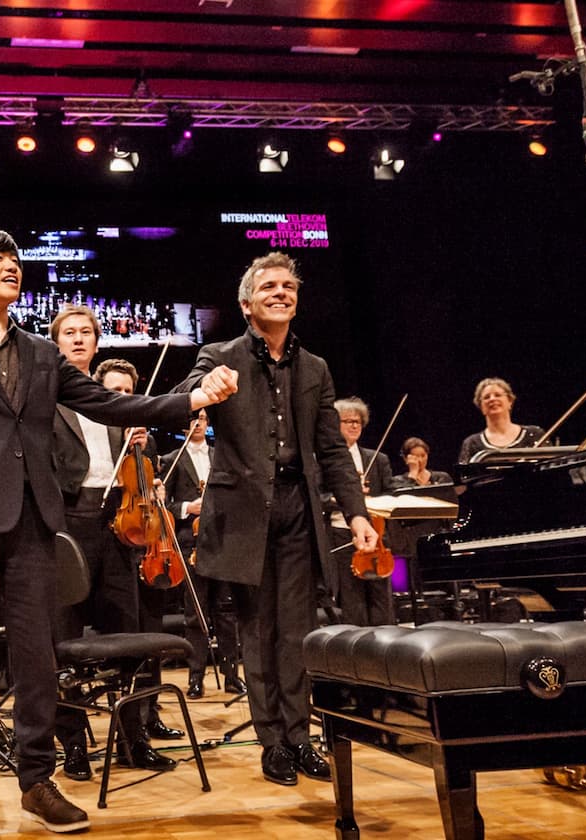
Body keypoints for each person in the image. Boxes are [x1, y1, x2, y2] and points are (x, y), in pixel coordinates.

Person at [0, 227, 236, 837]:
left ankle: (36, 781)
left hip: (34, 522)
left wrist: (187, 401)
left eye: (14, 257)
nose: (11, 265)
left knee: (38, 659)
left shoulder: (39, 351)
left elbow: (111, 406)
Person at [175, 251, 377, 787]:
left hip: (298, 509)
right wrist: (204, 390)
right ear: (247, 303)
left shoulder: (316, 369)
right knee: (258, 631)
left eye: (289, 286)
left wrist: (355, 513)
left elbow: (332, 451)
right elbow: (181, 401)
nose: (281, 292)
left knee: (297, 632)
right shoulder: (219, 355)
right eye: (269, 287)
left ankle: (300, 734)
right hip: (243, 513)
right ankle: (272, 741)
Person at [48, 348, 179, 782]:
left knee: (129, 634)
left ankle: (133, 739)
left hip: (118, 531)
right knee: (62, 640)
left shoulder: (123, 418)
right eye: (69, 333)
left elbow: (141, 474)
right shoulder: (54, 407)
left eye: (86, 332)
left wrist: (146, 447)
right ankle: (72, 744)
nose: (78, 339)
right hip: (68, 528)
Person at [158, 409, 243, 700]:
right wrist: (187, 508)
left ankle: (232, 674)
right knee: (195, 613)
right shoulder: (171, 461)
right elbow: (162, 505)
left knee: (226, 611)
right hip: (189, 541)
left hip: (222, 541)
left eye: (203, 418)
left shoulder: (221, 456)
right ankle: (195, 678)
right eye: (192, 418)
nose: (197, 423)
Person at [323, 397, 398, 627]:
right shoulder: (325, 462)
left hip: (376, 534)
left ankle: (387, 648)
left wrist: (369, 497)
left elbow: (391, 494)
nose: (354, 426)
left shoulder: (378, 460)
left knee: (381, 598)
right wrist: (342, 498)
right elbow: (318, 497)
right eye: (347, 421)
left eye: (357, 421)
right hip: (341, 533)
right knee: (351, 598)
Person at [457, 377, 547, 466]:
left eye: (498, 395)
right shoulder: (471, 443)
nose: (492, 399)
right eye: (486, 397)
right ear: (481, 407)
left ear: (510, 401)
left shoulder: (535, 434)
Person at [388, 436, 453, 490]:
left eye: (423, 455)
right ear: (405, 458)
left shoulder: (442, 478)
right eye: (415, 456)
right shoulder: (398, 481)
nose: (420, 460)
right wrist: (413, 473)